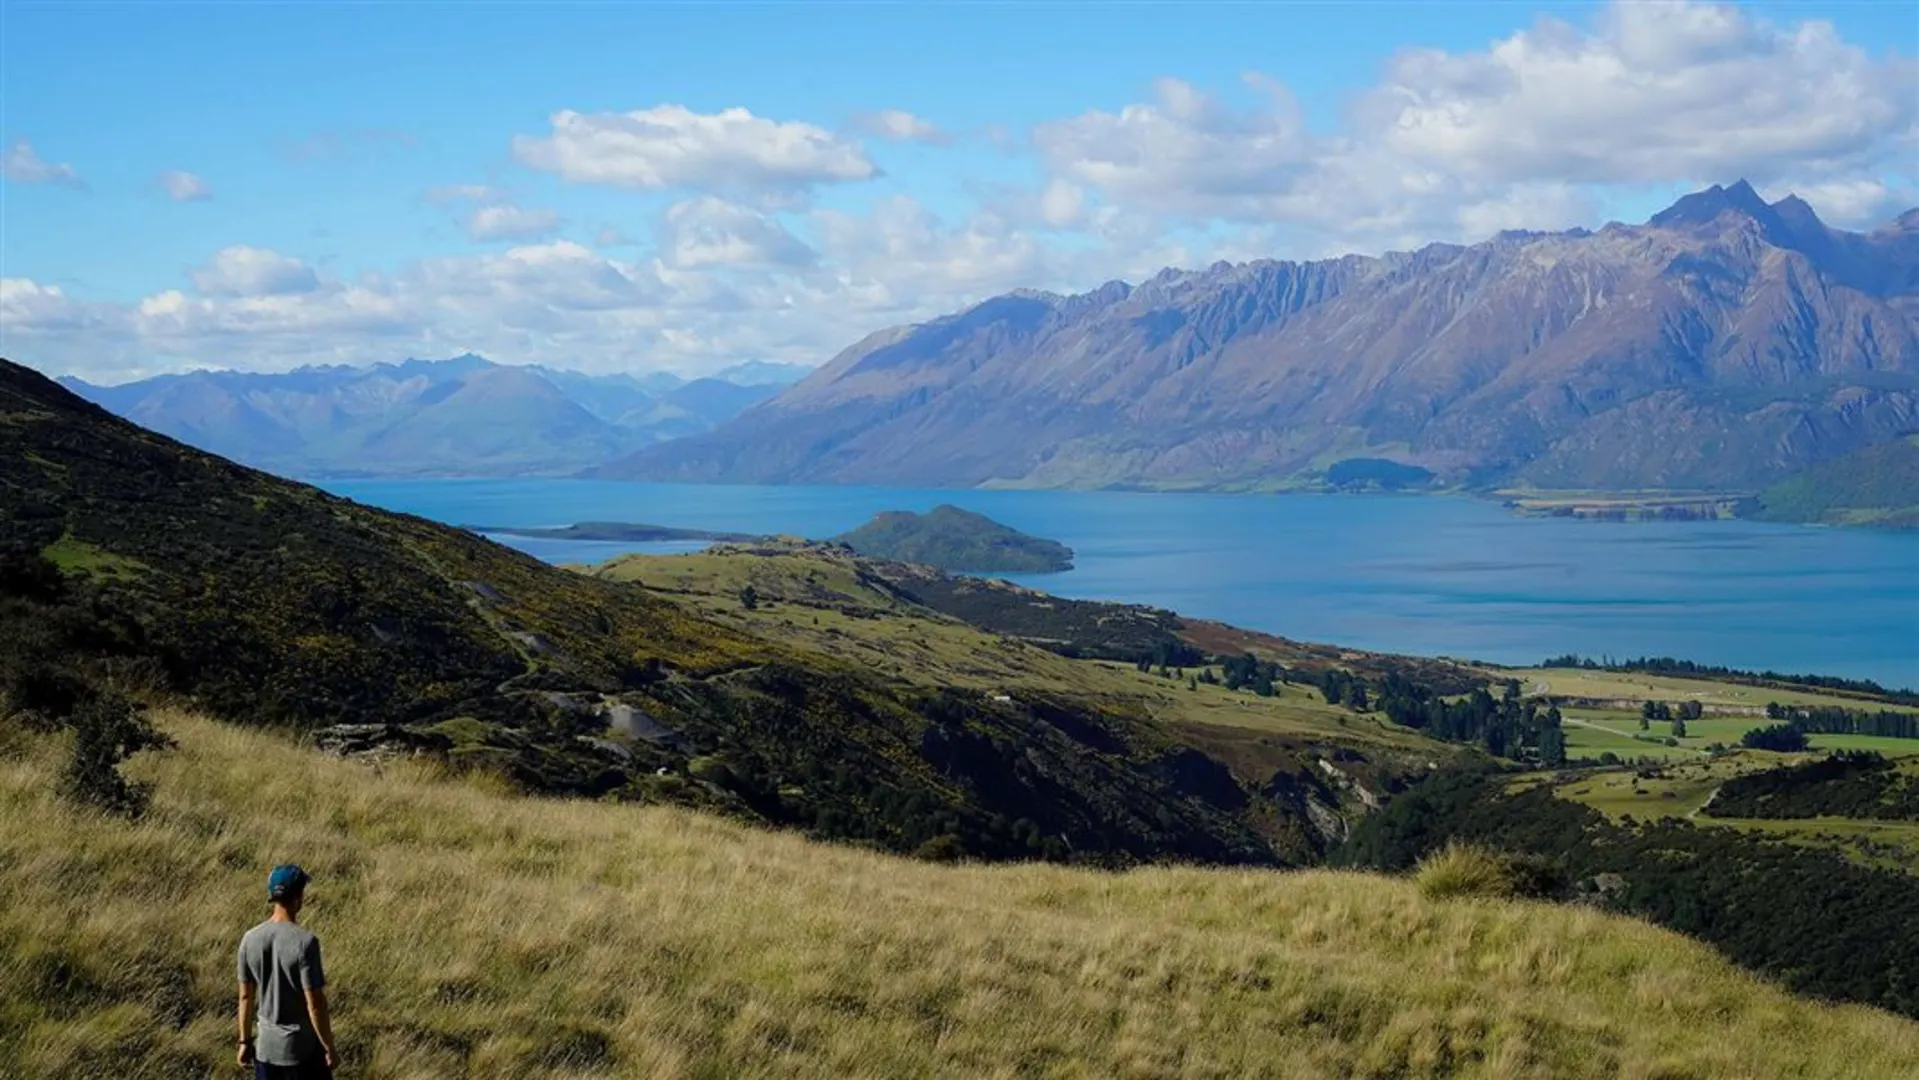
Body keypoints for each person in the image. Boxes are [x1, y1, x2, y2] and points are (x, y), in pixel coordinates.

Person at [237, 864, 337, 1078]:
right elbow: (315, 1004)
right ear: (298, 896)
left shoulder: (250, 939)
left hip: (265, 1050)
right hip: (301, 1051)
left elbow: (245, 997)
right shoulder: (306, 943)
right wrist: (328, 1046)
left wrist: (244, 1042)